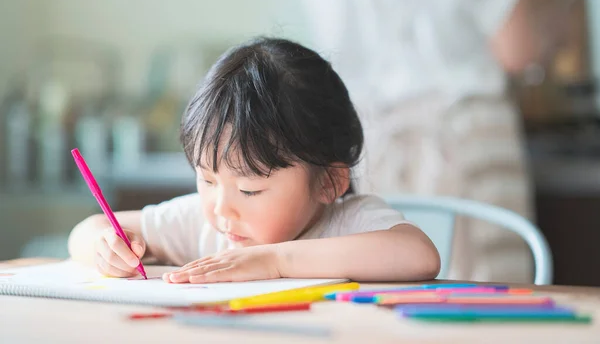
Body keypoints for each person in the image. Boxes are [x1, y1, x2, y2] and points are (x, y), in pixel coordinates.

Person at [68, 37, 440, 283]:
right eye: (207, 180)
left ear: (327, 181)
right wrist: (106, 247)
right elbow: (87, 230)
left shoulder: (350, 222)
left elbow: (419, 255)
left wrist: (274, 261)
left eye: (249, 189)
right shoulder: (202, 222)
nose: (221, 208)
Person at [285, 0, 549, 283]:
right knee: (488, 303)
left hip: (367, 147)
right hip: (464, 135)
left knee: (385, 301)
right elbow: (518, 49)